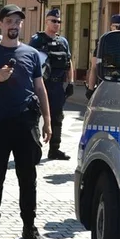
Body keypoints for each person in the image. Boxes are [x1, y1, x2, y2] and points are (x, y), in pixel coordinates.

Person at [0, 4, 51, 239]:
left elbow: (40, 87)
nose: (14, 26)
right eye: (9, 21)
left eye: (17, 21)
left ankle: (29, 226)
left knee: (28, 177)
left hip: (25, 122)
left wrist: (48, 121)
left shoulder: (30, 53)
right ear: (0, 23)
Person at [29, 8, 74, 161]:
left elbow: (69, 62)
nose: (56, 24)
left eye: (59, 21)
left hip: (56, 87)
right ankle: (33, 149)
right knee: (34, 116)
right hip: (41, 84)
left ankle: (55, 149)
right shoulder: (37, 40)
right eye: (53, 21)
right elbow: (30, 62)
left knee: (57, 118)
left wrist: (71, 82)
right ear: (46, 21)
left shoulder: (63, 42)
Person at [87, 13, 120, 96]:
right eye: (116, 27)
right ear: (111, 27)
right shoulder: (105, 42)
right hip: (106, 83)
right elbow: (94, 67)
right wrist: (90, 89)